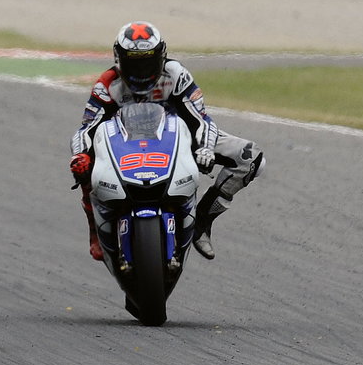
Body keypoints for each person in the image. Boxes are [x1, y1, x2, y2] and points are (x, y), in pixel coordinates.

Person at [68, 21, 265, 261]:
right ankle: (96, 231)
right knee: (84, 167)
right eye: (133, 63)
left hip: (178, 137)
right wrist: (80, 155)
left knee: (250, 158)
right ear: (119, 59)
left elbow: (201, 118)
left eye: (148, 62)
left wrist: (204, 147)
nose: (141, 70)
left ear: (161, 56)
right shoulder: (107, 84)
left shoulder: (176, 74)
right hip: (125, 144)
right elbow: (86, 128)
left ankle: (202, 221)